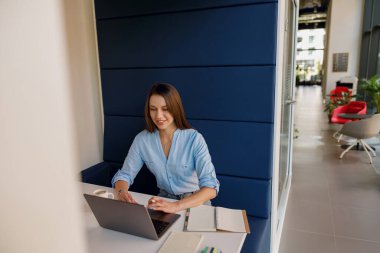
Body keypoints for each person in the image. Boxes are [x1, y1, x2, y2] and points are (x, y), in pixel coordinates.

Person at [112, 83, 220, 213]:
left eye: (165, 109)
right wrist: (121, 192)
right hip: (164, 200)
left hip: (194, 201)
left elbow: (211, 188)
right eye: (153, 109)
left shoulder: (194, 139)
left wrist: (176, 206)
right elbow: (124, 175)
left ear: (175, 108)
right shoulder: (142, 140)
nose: (158, 116)